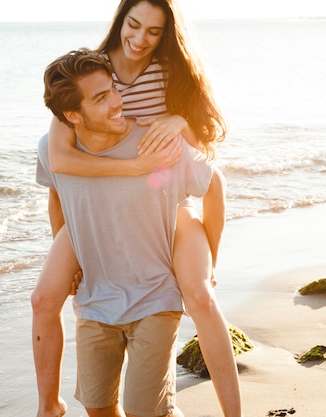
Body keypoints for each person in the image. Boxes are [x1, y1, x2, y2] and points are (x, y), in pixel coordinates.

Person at [31, 1, 243, 416]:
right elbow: (60, 169)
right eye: (134, 25)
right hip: (107, 194)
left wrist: (179, 122)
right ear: (120, 22)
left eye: (154, 31)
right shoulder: (91, 70)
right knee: (43, 299)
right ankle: (48, 405)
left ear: (166, 34)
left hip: (164, 197)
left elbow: (208, 141)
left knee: (200, 294)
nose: (141, 38)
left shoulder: (172, 72)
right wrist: (70, 239)